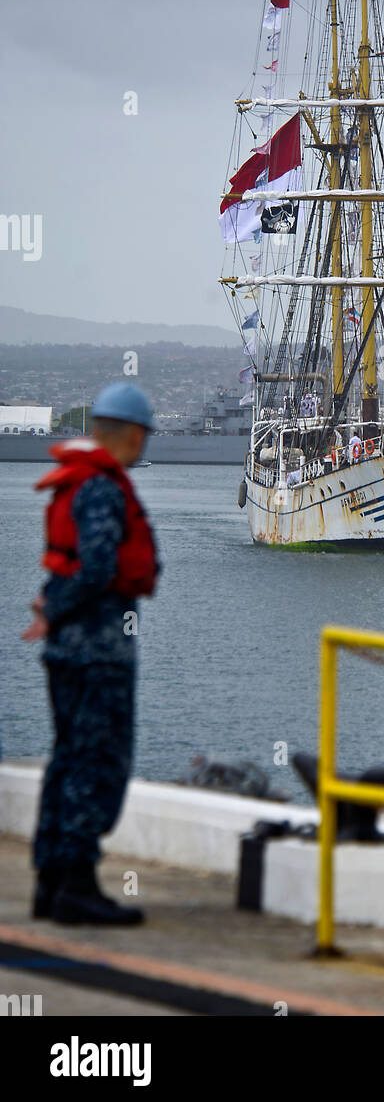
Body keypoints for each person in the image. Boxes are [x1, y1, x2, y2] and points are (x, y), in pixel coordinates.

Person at [22, 383, 160, 926]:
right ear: (129, 434)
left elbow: (70, 565)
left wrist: (50, 609)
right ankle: (77, 885)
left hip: (67, 650)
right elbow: (99, 567)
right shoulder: (103, 488)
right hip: (98, 651)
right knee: (96, 761)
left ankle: (51, 881)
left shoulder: (81, 483)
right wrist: (58, 610)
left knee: (65, 758)